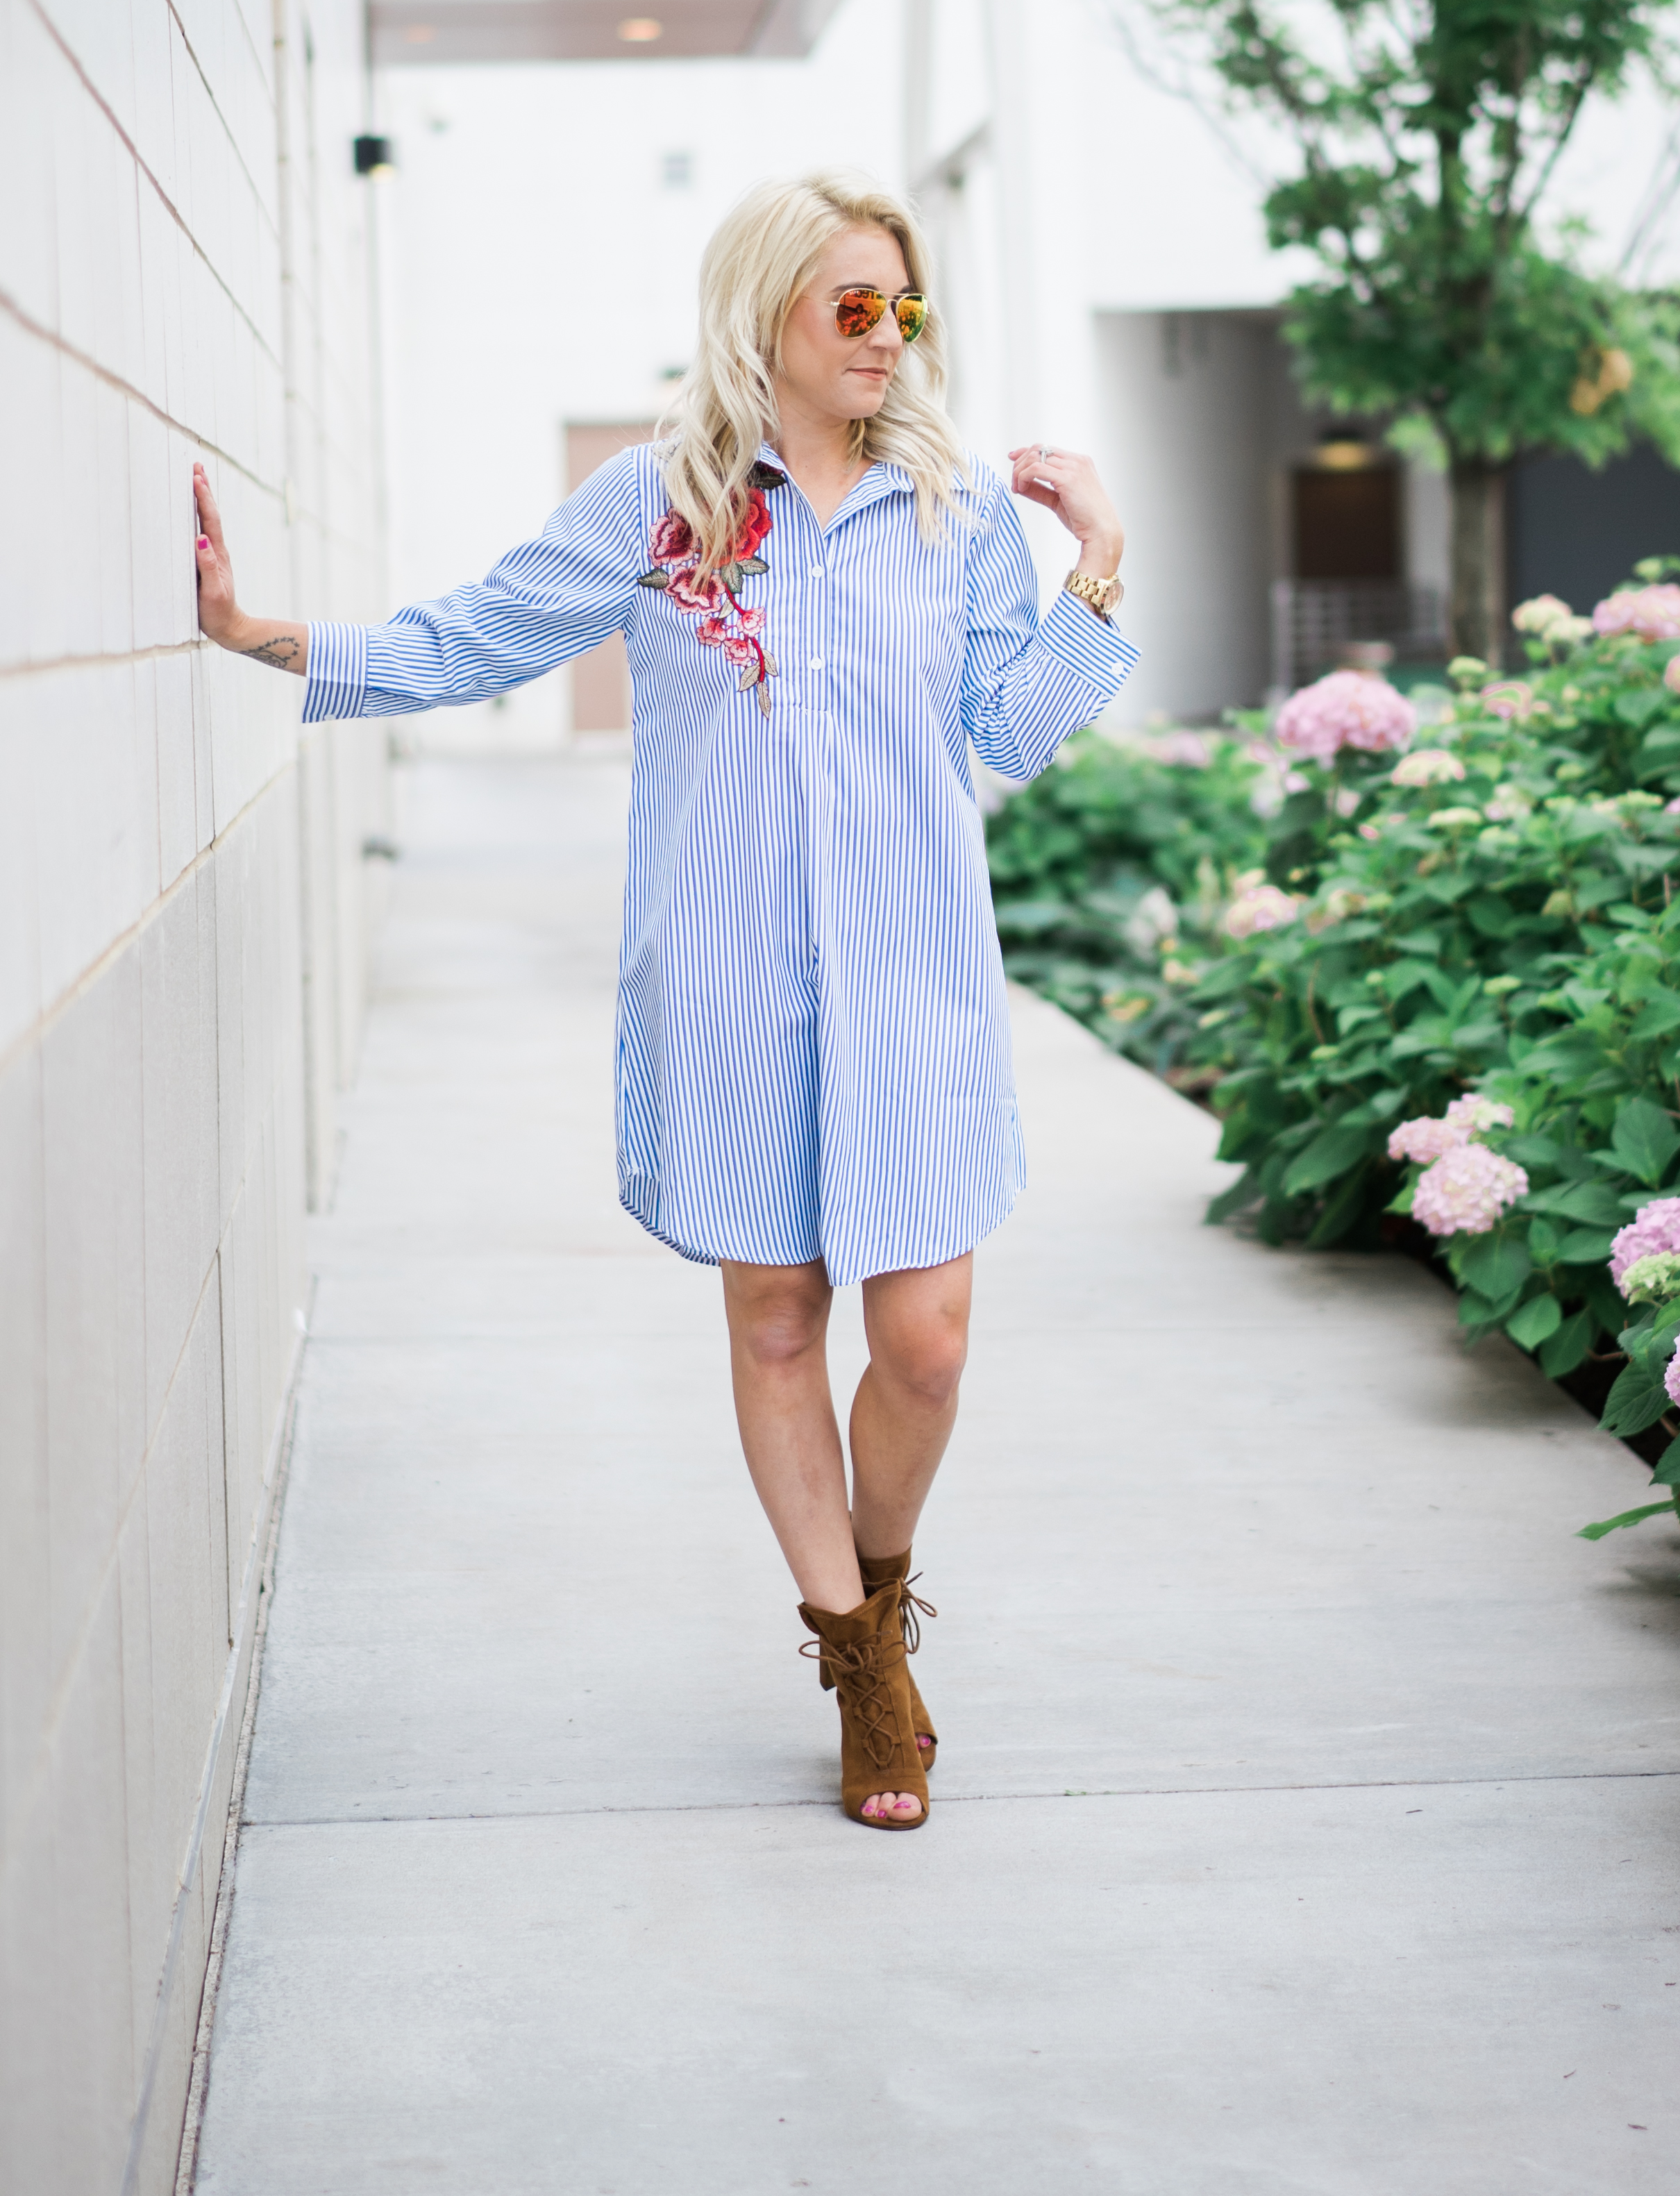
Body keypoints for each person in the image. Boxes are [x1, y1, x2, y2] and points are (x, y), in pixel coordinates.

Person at [192, 170, 1134, 1832]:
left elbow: (1005, 733)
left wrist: (1099, 566)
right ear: (765, 309)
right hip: (725, 975)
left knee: (922, 1341)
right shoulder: (659, 504)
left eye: (906, 307)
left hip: (913, 974)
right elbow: (482, 637)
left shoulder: (957, 509)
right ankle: (860, 1667)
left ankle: (884, 1585)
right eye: (856, 304)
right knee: (776, 1315)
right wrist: (268, 640)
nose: (888, 335)